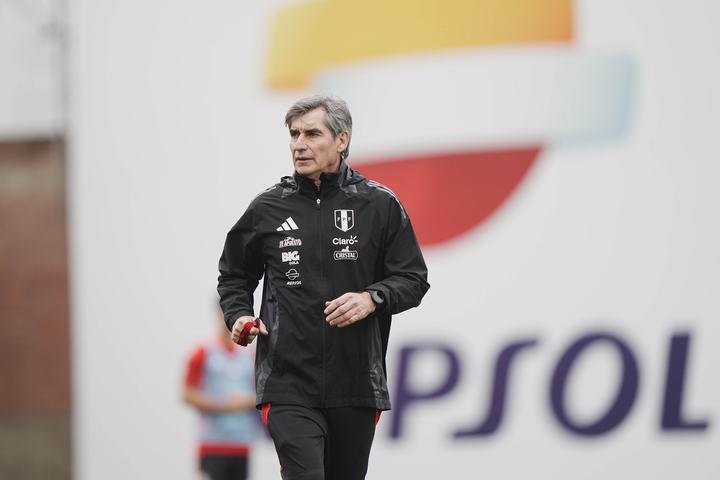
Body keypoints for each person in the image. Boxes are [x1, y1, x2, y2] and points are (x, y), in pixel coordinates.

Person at [217, 95, 430, 480]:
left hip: (356, 385)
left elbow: (413, 279)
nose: (299, 144)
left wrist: (372, 298)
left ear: (341, 139)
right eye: (294, 134)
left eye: (312, 134)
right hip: (287, 384)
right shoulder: (267, 207)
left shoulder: (378, 204)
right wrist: (239, 315)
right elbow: (234, 275)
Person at [183, 306, 257, 480]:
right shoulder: (203, 351)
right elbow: (188, 394)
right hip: (212, 444)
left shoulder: (250, 354)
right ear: (218, 313)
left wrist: (245, 402)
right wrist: (222, 405)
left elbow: (261, 393)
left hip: (242, 444)